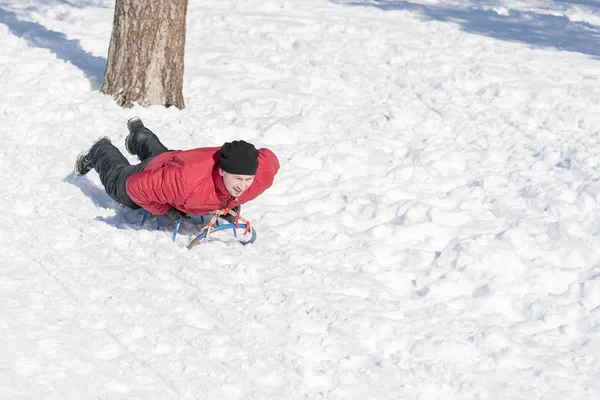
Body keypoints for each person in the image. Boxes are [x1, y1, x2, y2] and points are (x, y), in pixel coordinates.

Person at [74, 117, 280, 223]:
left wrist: (230, 203)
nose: (243, 186)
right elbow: (135, 186)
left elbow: (269, 158)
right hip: (169, 171)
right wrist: (166, 209)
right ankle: (100, 149)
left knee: (162, 158)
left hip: (178, 161)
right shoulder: (185, 183)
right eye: (237, 178)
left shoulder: (262, 176)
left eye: (248, 179)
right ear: (222, 171)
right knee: (119, 185)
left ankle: (139, 134)